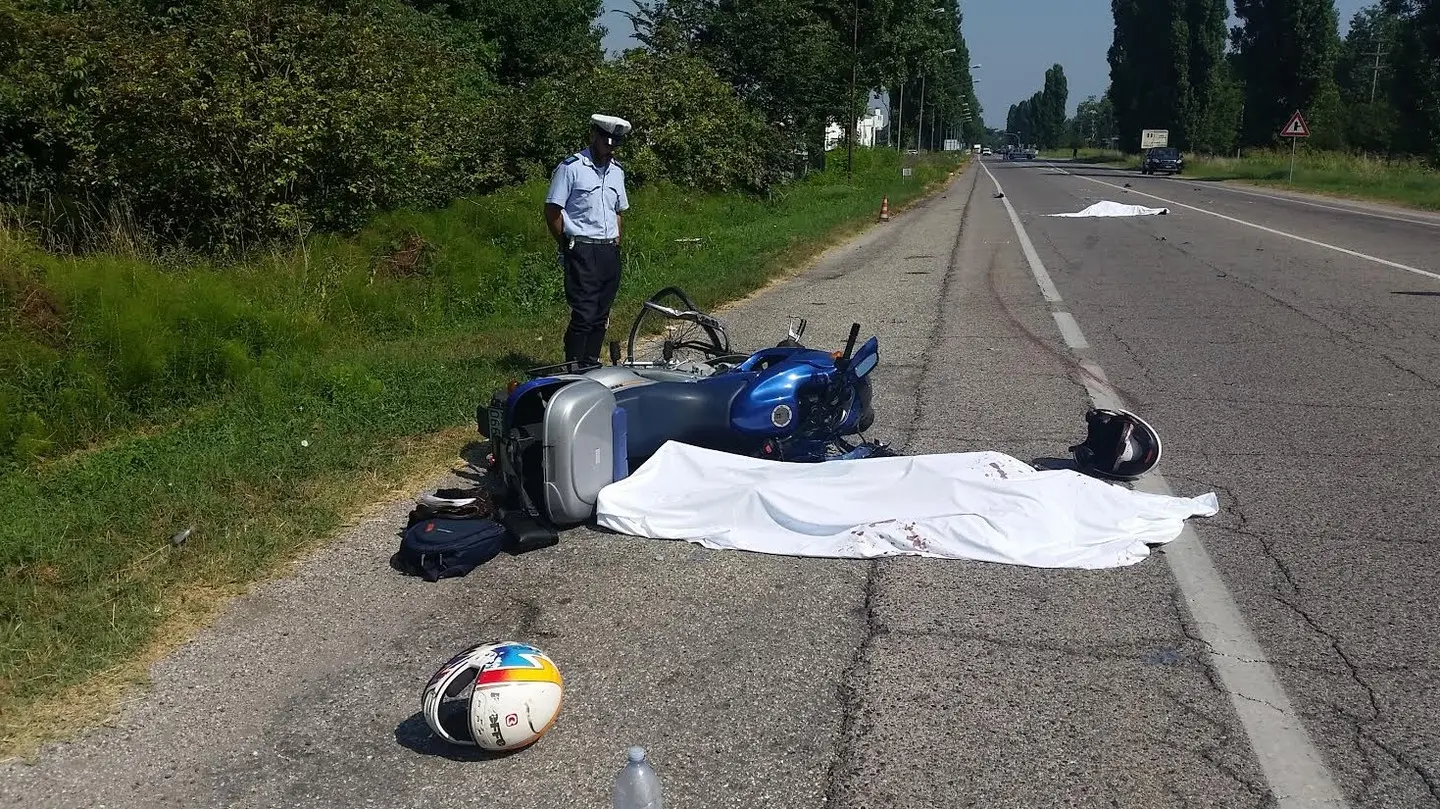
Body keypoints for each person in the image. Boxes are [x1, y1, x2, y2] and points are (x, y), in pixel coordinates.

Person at [544, 113, 632, 369]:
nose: (611, 150)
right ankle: (573, 366)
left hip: (608, 251)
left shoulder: (617, 172)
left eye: (616, 145)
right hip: (582, 248)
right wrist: (567, 243)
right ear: (593, 136)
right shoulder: (571, 168)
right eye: (606, 143)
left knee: (601, 313)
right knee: (584, 313)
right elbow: (552, 211)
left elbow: (618, 211)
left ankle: (590, 363)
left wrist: (617, 241)